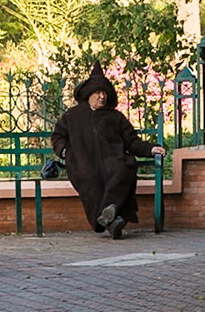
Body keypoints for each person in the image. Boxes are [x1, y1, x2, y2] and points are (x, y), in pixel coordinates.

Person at [51, 64, 160, 240]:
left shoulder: (116, 117)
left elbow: (132, 141)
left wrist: (150, 149)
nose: (102, 97)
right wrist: (65, 151)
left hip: (113, 159)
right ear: (88, 95)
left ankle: (110, 215)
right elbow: (58, 136)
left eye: (104, 93)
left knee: (123, 169)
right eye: (98, 93)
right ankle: (113, 217)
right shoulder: (72, 116)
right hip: (82, 161)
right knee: (90, 179)